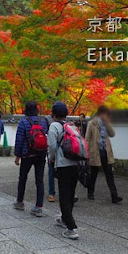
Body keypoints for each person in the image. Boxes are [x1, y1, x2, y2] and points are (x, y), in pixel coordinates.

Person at [48, 101, 80, 240]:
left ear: (53, 114)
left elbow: (52, 146)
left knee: (64, 196)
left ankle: (71, 228)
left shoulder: (54, 126)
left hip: (62, 165)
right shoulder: (71, 126)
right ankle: (64, 219)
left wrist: (51, 158)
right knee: (70, 194)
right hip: (75, 164)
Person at [13, 101, 49, 216]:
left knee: (23, 178)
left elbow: (19, 140)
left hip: (27, 155)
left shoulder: (23, 122)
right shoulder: (43, 121)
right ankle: (38, 207)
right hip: (41, 154)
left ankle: (20, 202)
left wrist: (17, 156)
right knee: (39, 180)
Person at [85, 105, 122, 204]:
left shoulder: (106, 123)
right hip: (95, 151)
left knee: (109, 174)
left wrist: (107, 122)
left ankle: (114, 196)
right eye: (104, 113)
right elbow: (87, 138)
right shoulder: (91, 123)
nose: (106, 116)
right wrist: (87, 153)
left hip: (105, 151)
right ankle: (90, 192)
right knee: (94, 174)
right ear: (100, 113)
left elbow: (112, 134)